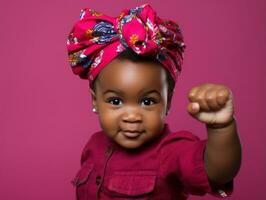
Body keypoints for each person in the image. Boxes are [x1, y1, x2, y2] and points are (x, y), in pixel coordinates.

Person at [66, 4, 241, 200]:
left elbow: (218, 171)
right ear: (95, 100)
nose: (132, 116)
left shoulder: (171, 152)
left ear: (169, 101)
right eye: (115, 101)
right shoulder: (93, 146)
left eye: (148, 102)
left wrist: (221, 128)